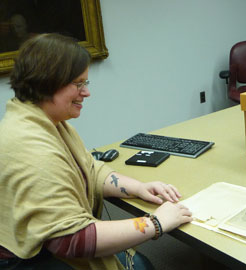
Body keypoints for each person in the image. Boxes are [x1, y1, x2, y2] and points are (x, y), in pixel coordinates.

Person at [0, 33, 193, 270]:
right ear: (46, 81)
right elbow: (70, 240)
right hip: (28, 259)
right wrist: (156, 223)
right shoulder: (32, 149)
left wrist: (138, 187)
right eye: (78, 84)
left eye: (85, 83)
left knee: (142, 264)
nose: (86, 92)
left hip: (44, 246)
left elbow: (91, 169)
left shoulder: (45, 122)